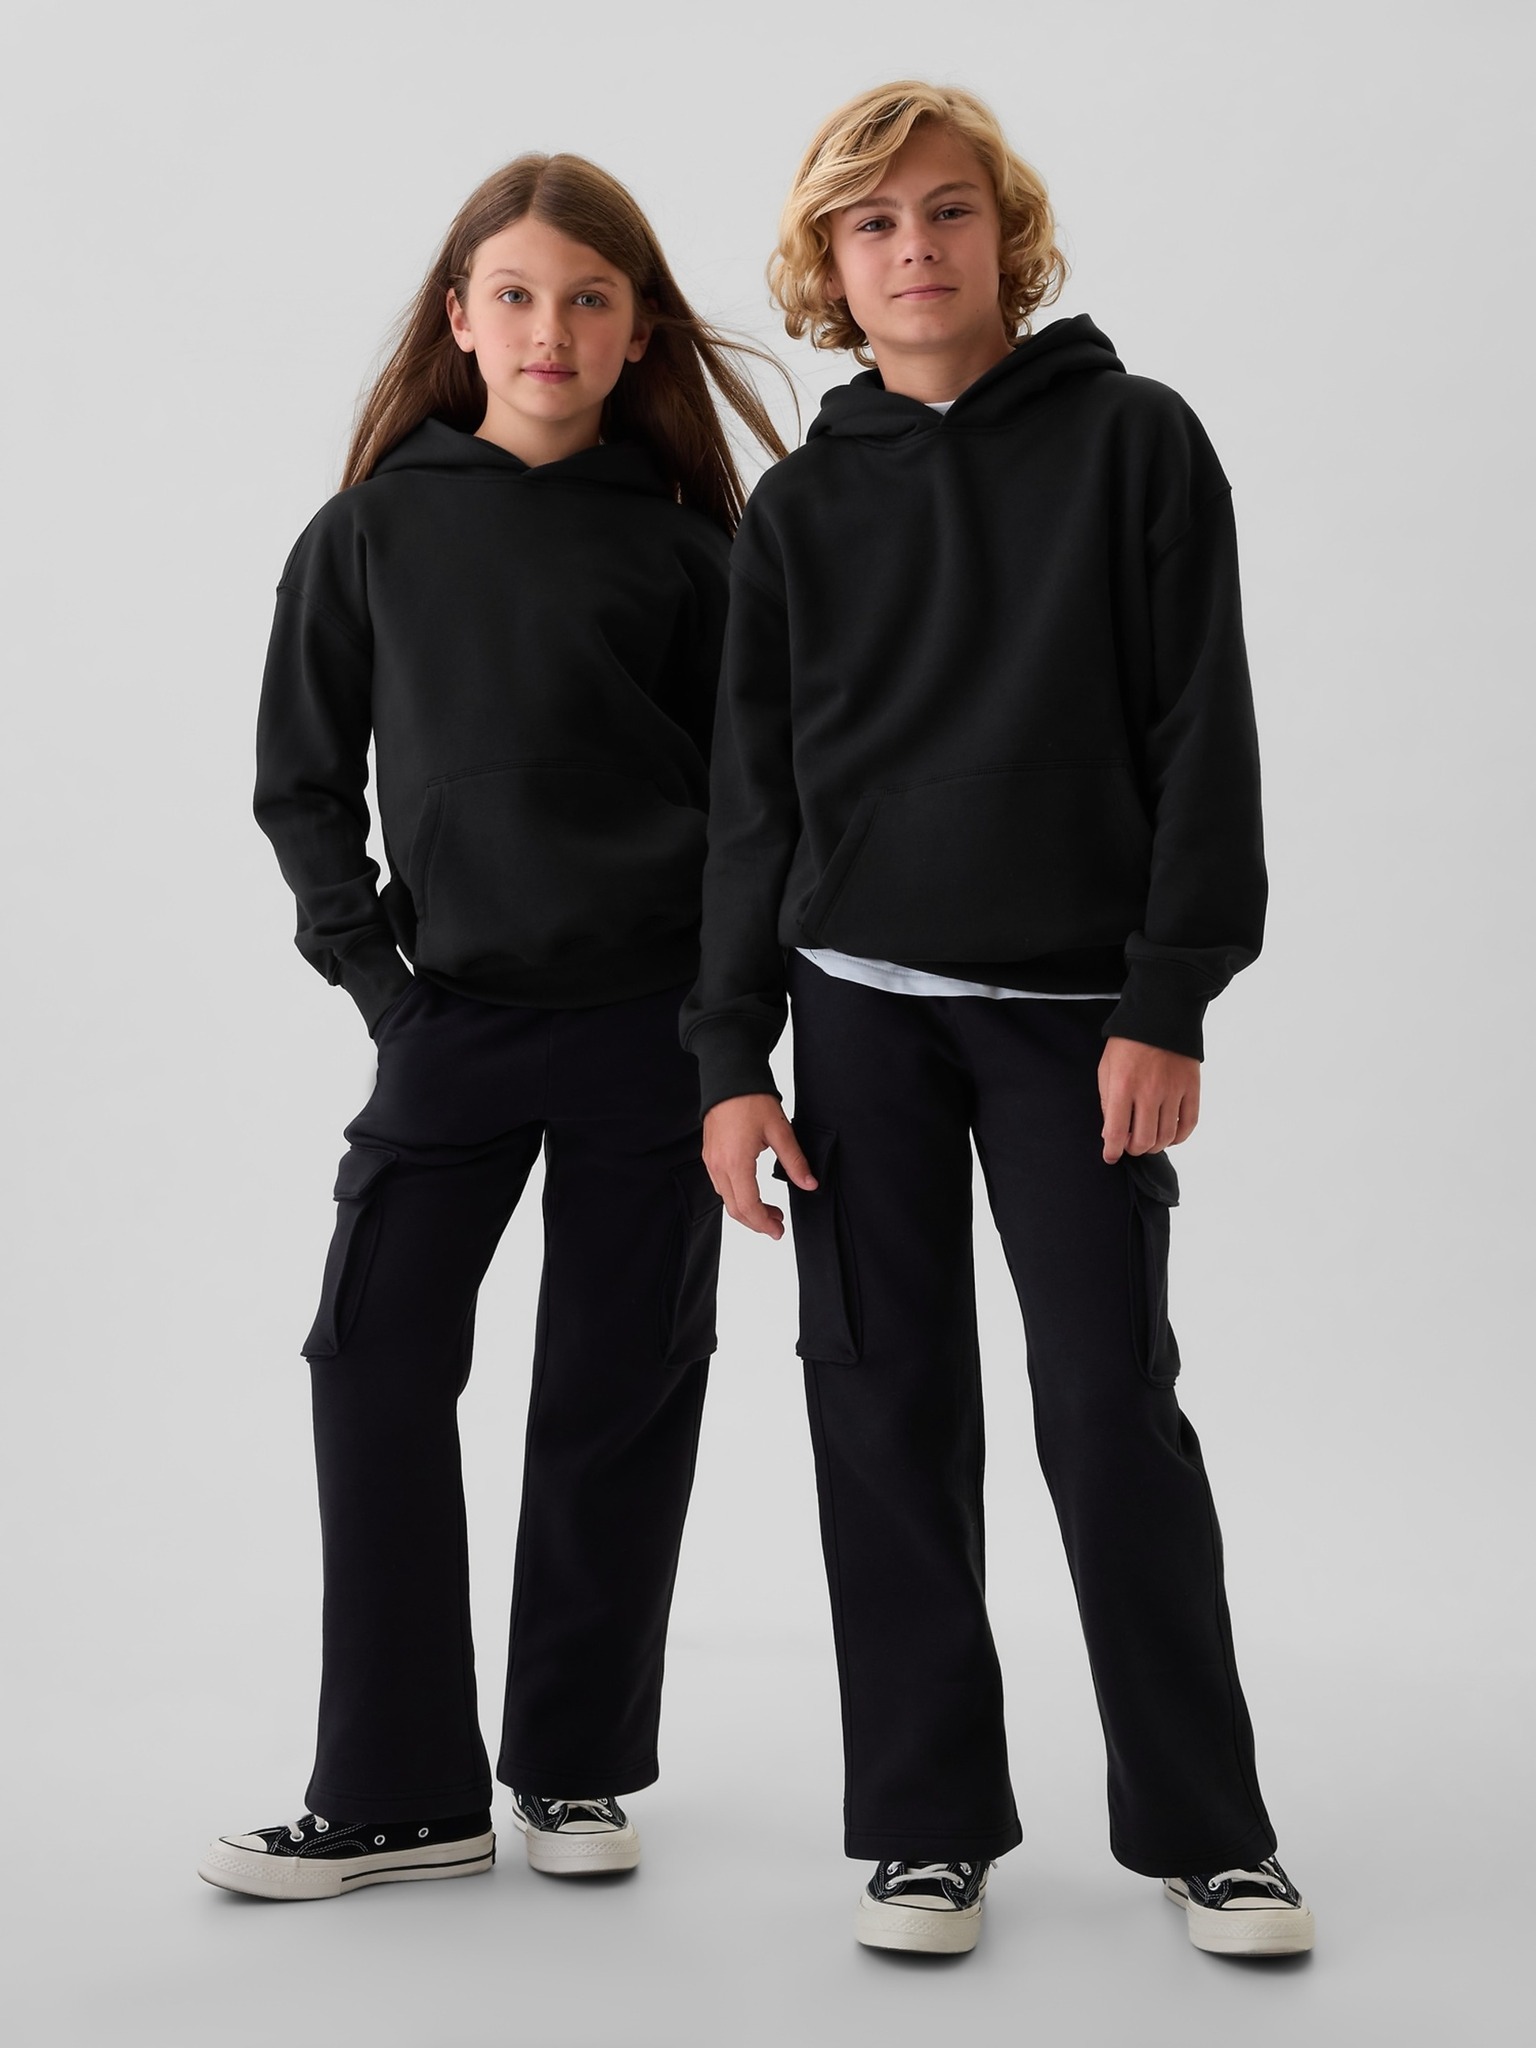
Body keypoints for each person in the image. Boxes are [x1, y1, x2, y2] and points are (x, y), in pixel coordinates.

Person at [683, 82, 1314, 1959]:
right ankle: (925, 1828)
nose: (917, 249)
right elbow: (751, 804)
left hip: (1077, 1024)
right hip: (856, 1018)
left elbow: (1205, 731)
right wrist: (728, 1056)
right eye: (874, 224)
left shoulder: (1136, 442)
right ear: (830, 263)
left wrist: (1168, 996)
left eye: (949, 210)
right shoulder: (800, 509)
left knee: (1108, 1411)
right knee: (882, 1410)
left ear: (1006, 236)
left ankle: (1211, 1833)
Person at [199, 152, 785, 1901]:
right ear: (459, 319)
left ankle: (574, 1770)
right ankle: (400, 1792)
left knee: (619, 1388)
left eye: (590, 300)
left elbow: (757, 817)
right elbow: (302, 786)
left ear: (638, 333)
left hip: (650, 1035)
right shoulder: (369, 533)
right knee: (373, 1362)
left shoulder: (690, 554)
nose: (551, 329)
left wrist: (726, 1033)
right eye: (517, 295)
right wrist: (382, 986)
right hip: (448, 1023)